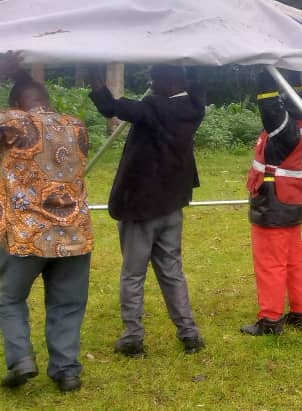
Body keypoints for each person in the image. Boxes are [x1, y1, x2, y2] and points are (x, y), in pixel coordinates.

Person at [89, 64, 205, 356]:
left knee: (133, 274)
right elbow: (197, 83)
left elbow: (110, 107)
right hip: (172, 204)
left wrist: (96, 78)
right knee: (172, 270)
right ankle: (189, 333)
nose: (151, 86)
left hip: (141, 207)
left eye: (154, 81)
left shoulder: (152, 108)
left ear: (166, 84)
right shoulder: (194, 107)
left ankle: (132, 337)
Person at [0, 52, 92, 392]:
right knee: (67, 303)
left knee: (8, 298)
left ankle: (22, 359)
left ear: (15, 104)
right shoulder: (77, 126)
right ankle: (67, 372)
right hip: (74, 232)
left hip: (26, 235)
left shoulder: (14, 123)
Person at [240, 70, 302, 336]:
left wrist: (264, 72)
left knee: (270, 263)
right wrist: (291, 74)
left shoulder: (288, 132)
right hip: (294, 202)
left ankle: (270, 321)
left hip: (274, 204)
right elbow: (298, 99)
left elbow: (270, 107)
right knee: (293, 261)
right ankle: (300, 313)